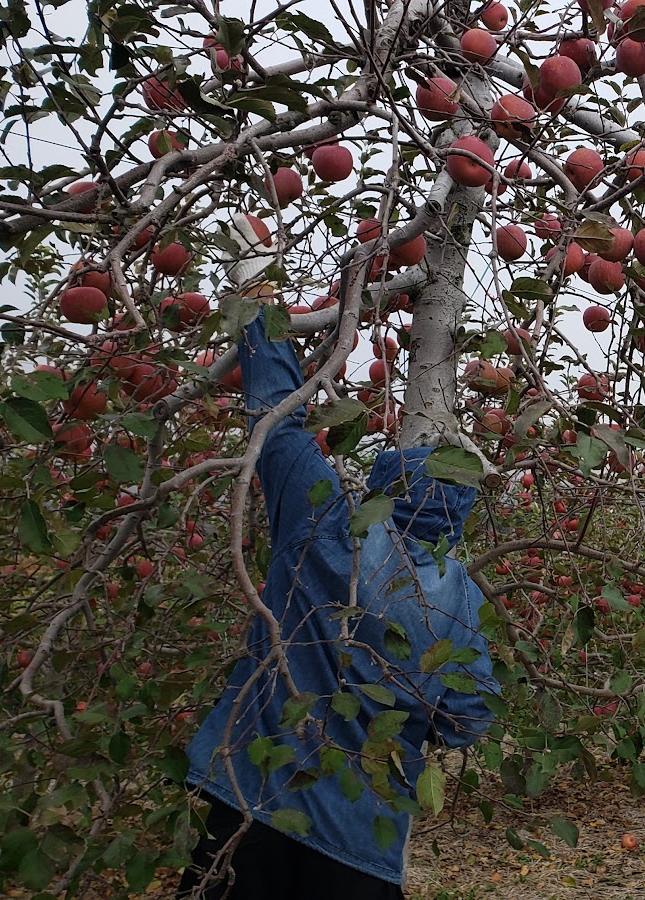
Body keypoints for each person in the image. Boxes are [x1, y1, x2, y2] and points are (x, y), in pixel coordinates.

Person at [179, 216, 499, 898]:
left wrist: (258, 291)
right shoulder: (462, 600)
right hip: (361, 840)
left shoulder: (325, 522)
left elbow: (277, 420)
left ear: (386, 481)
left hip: (253, 798)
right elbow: (468, 718)